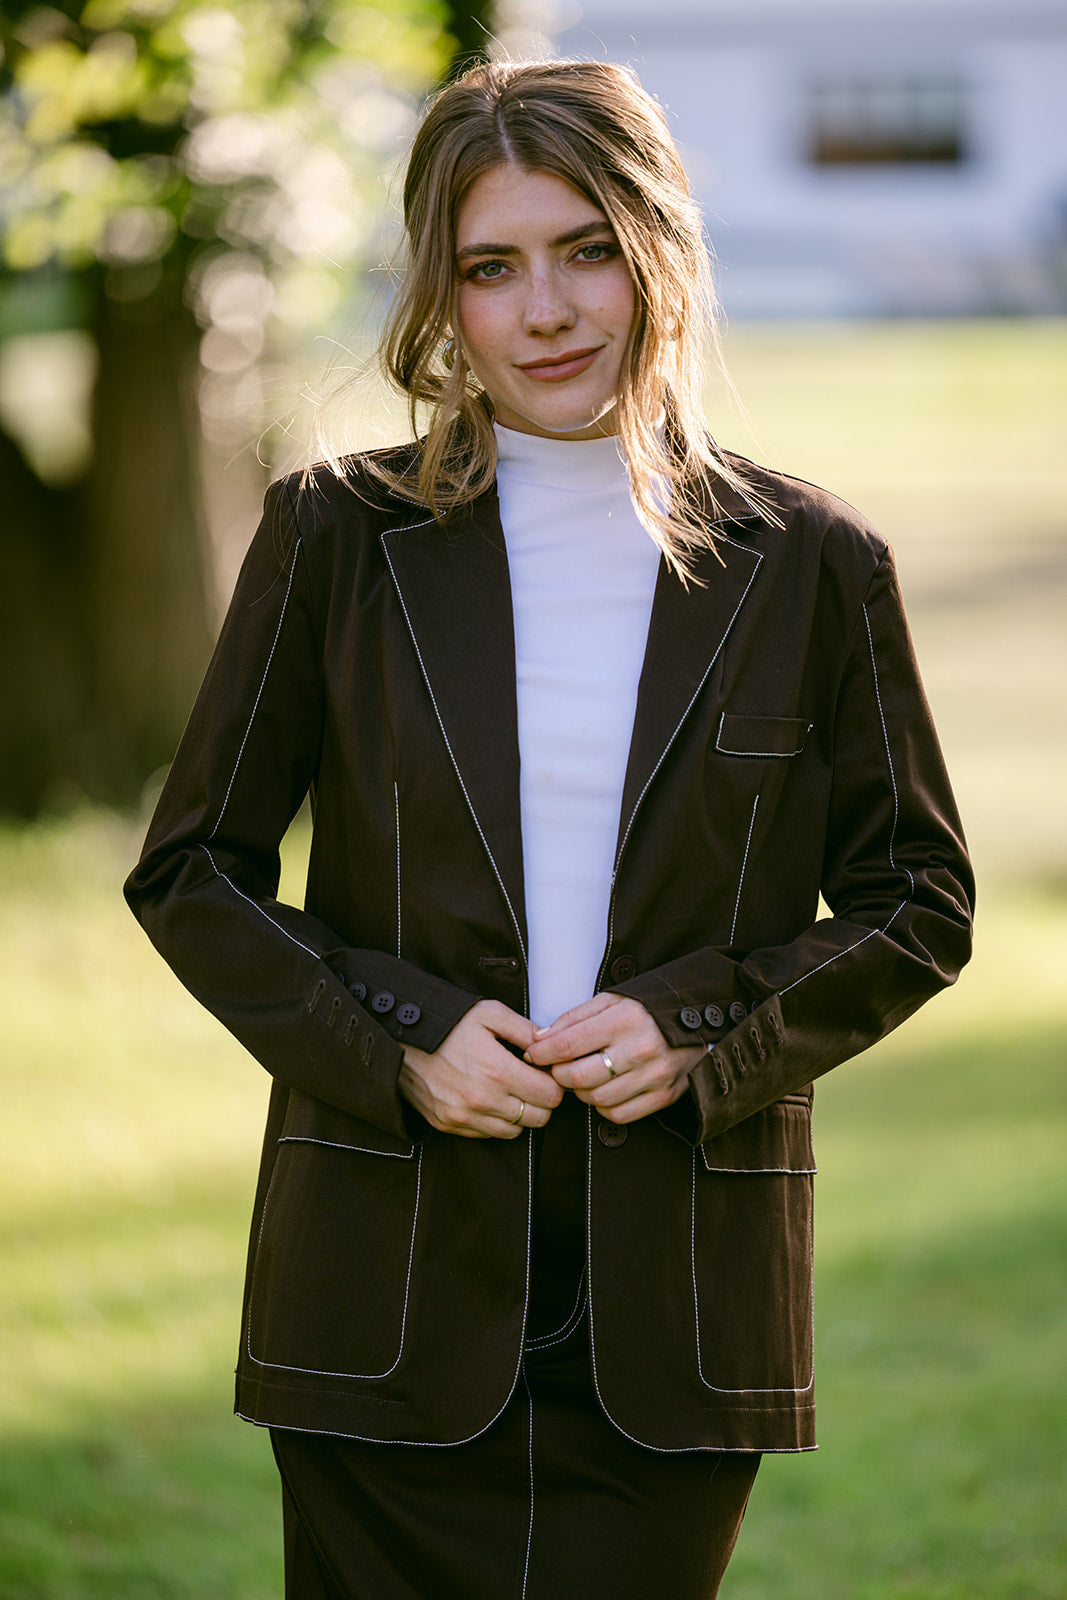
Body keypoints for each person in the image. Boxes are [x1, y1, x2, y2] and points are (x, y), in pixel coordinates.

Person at [125, 57, 974, 1600]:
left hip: (679, 1301)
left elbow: (920, 899)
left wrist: (701, 1030)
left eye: (587, 248)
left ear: (661, 248)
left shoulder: (812, 564)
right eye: (490, 267)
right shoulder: (338, 537)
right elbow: (191, 871)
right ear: (442, 298)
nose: (547, 310)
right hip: (378, 1271)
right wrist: (402, 1042)